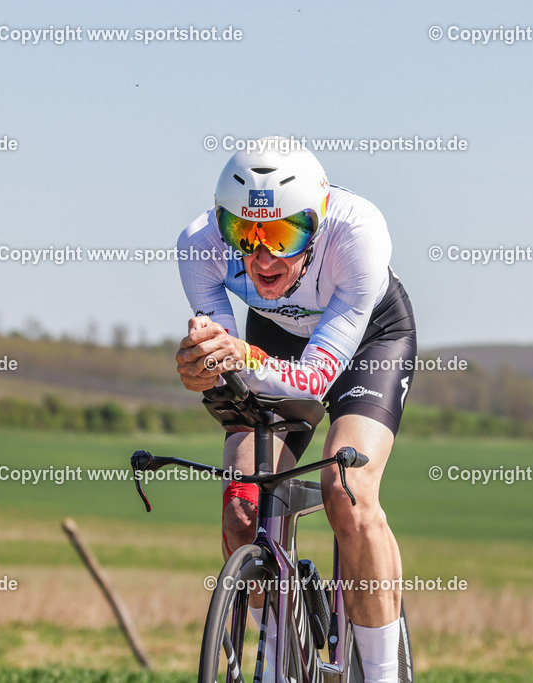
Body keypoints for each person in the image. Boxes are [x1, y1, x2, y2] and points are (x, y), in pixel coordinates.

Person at [175, 137, 416, 682]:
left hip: (366, 341)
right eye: (245, 232)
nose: (262, 258)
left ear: (318, 219)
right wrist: (203, 369)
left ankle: (381, 674)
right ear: (222, 225)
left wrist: (237, 358)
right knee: (242, 511)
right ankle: (277, 651)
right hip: (274, 340)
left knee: (346, 493)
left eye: (283, 234)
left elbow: (312, 379)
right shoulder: (198, 245)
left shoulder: (357, 235)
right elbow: (229, 368)